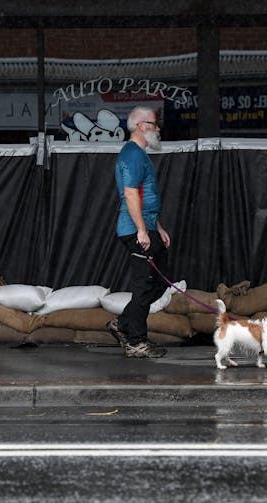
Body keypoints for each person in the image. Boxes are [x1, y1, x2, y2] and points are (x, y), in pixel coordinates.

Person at [106, 106, 170, 358]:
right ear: (142, 126)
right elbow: (131, 194)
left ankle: (122, 324)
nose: (158, 129)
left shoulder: (139, 155)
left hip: (147, 227)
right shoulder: (132, 154)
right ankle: (136, 341)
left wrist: (158, 227)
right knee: (143, 286)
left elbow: (146, 197)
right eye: (154, 124)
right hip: (135, 230)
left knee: (162, 280)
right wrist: (142, 231)